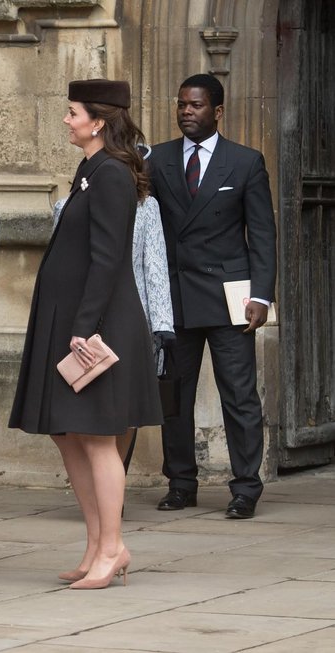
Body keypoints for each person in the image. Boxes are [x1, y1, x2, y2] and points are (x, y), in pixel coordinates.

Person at [8, 80, 163, 589]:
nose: (66, 119)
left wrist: (82, 328)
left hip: (96, 324)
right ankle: (98, 546)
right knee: (68, 434)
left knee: (98, 438)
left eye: (72, 112)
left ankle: (113, 547)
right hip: (70, 320)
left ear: (97, 120)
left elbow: (107, 257)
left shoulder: (113, 174)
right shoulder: (90, 169)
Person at [148, 74, 277, 519]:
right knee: (174, 397)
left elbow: (261, 234)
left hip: (230, 299)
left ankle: (245, 488)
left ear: (217, 112)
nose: (187, 111)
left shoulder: (244, 162)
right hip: (175, 296)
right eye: (182, 104)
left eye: (197, 105)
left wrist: (261, 295)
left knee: (239, 395)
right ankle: (181, 482)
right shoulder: (157, 159)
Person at [52, 176, 175, 474]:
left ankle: (112, 486)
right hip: (82, 319)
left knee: (125, 409)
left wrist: (162, 325)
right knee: (86, 407)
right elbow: (60, 266)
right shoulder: (64, 206)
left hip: (129, 318)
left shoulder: (146, 207)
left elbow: (155, 265)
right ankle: (100, 488)